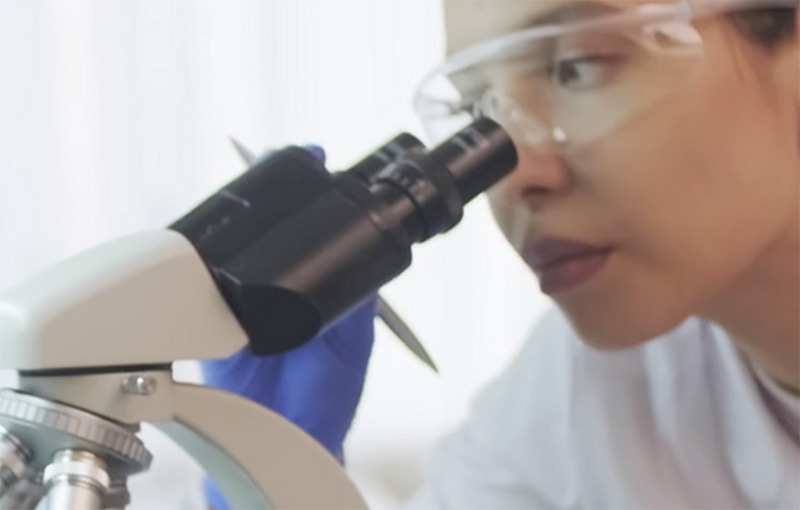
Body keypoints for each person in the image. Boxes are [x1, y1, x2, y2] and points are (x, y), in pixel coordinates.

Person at [202, 0, 799, 507]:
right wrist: (267, 477)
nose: (510, 178)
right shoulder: (589, 392)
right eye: (477, 112)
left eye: (577, 68)